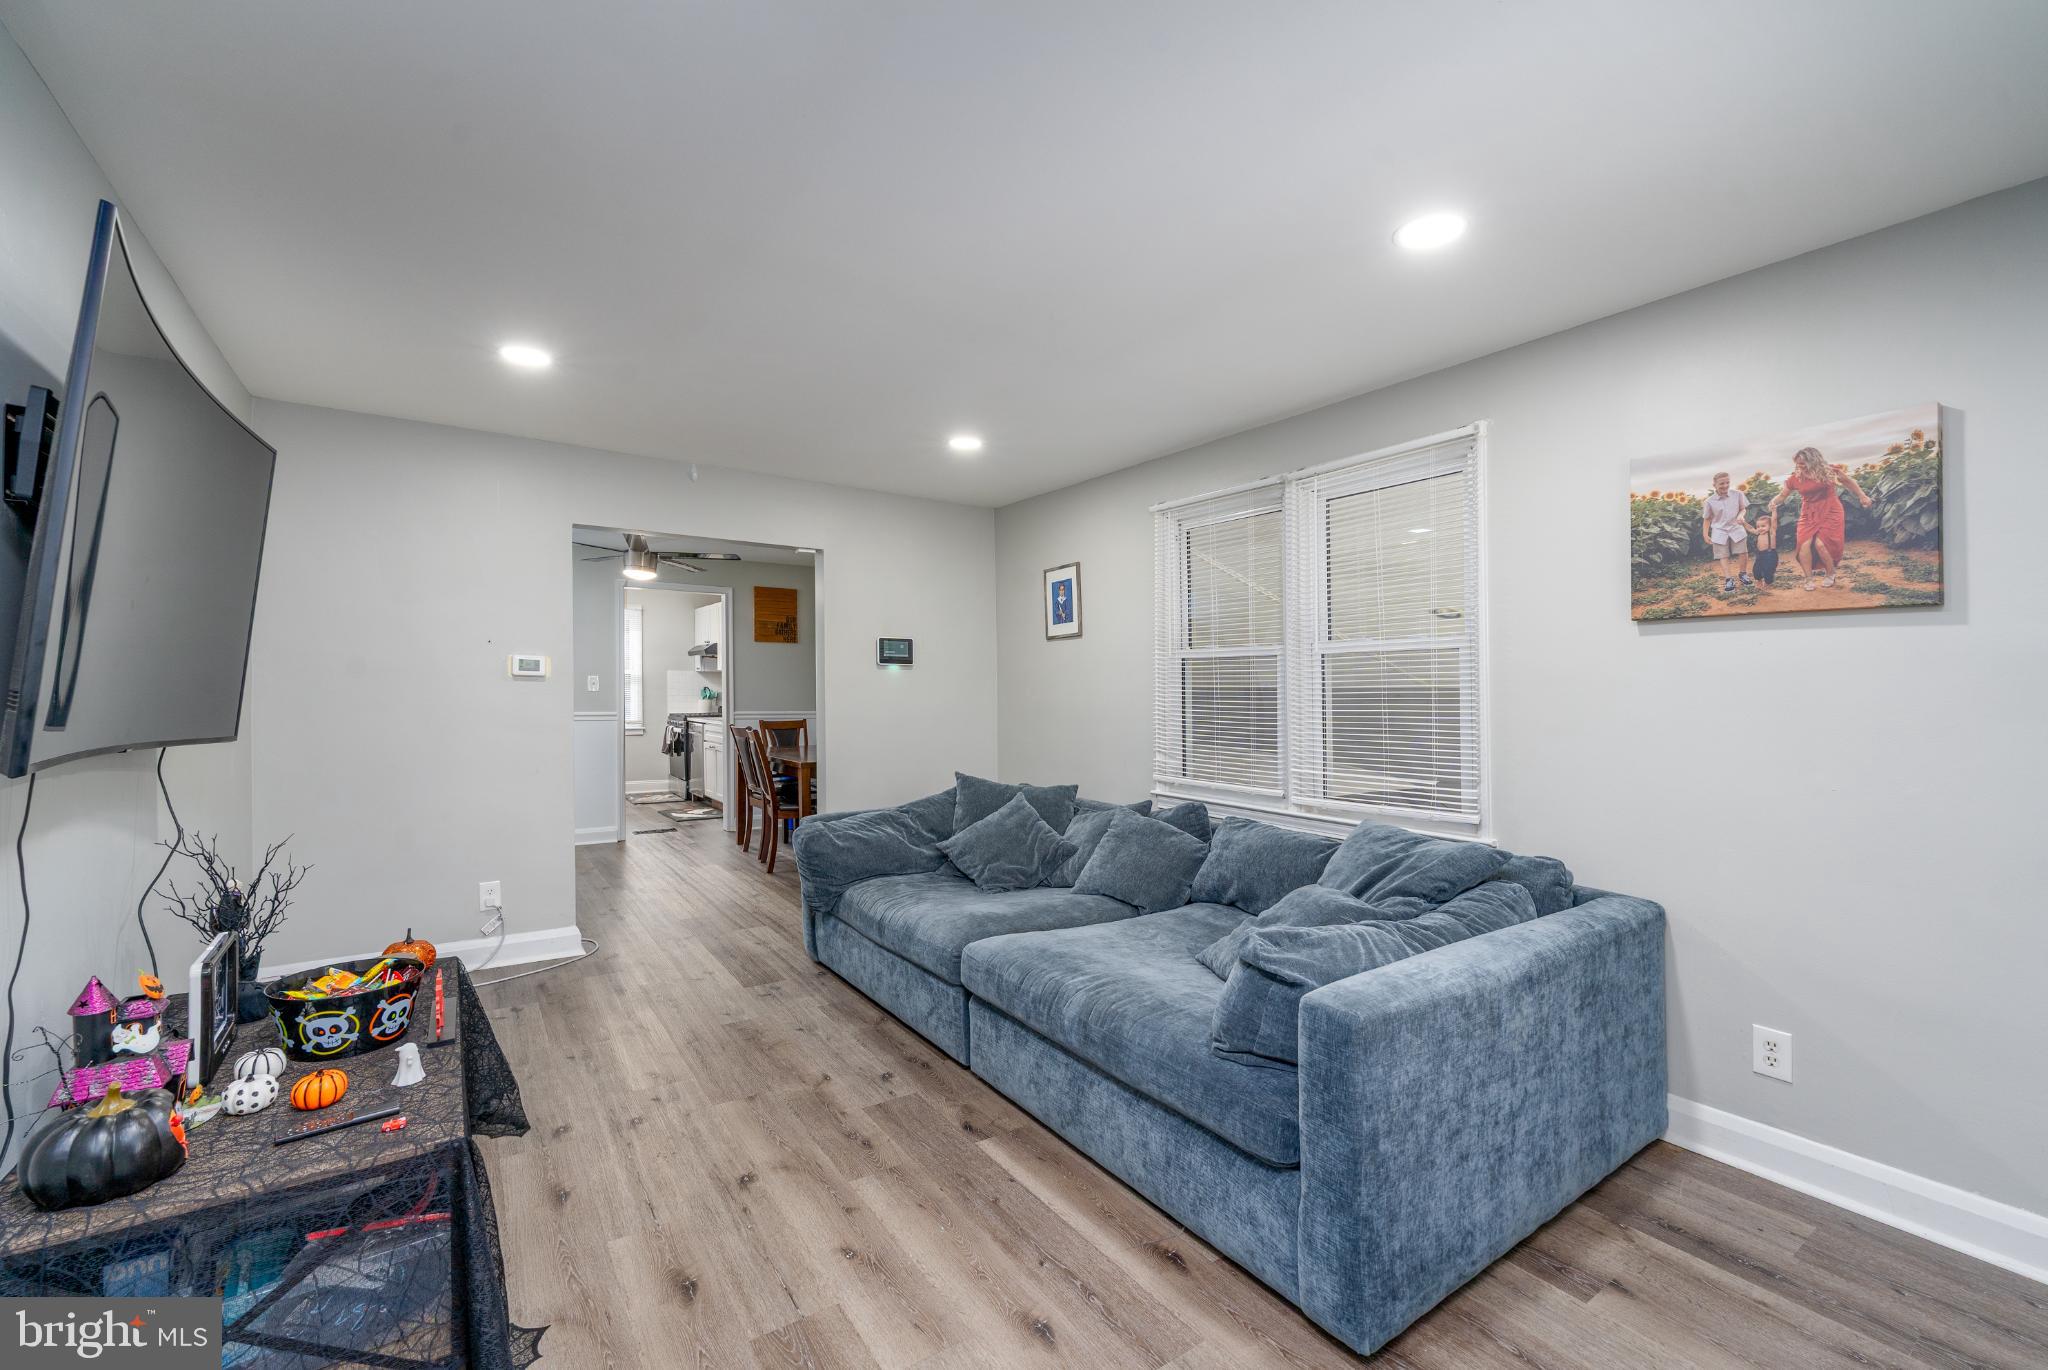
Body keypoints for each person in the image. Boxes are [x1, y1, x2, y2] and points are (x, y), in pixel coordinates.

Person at [1770, 446, 1872, 591]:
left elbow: (1848, 481)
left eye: (1803, 463)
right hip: (1808, 512)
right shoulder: (1796, 478)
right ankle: (1808, 579)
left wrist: (1862, 496)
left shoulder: (1829, 471)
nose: (1800, 466)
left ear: (1813, 461)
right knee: (1803, 544)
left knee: (1821, 544)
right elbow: (1782, 495)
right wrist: (1773, 502)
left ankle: (1830, 574)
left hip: (1831, 509)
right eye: (1797, 463)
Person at [1701, 471, 1753, 593]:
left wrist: (1741, 515)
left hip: (1736, 527)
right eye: (1721, 483)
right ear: (1714, 485)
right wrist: (1705, 534)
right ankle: (1729, 579)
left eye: (1727, 482)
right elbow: (1707, 519)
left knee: (1743, 551)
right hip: (1719, 530)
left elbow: (1743, 509)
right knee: (1723, 555)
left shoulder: (1738, 494)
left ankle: (1743, 574)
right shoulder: (1709, 501)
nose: (1725, 485)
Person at [1748, 509, 1780, 587]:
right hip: (1760, 555)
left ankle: (1768, 583)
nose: (1760, 528)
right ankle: (1759, 580)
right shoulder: (1758, 533)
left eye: (1763, 526)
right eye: (1758, 526)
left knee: (1768, 570)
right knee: (1756, 569)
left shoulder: (1772, 532)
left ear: (1770, 526)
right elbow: (1750, 528)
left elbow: (1774, 520)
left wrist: (1774, 510)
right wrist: (1743, 523)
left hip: (1770, 554)